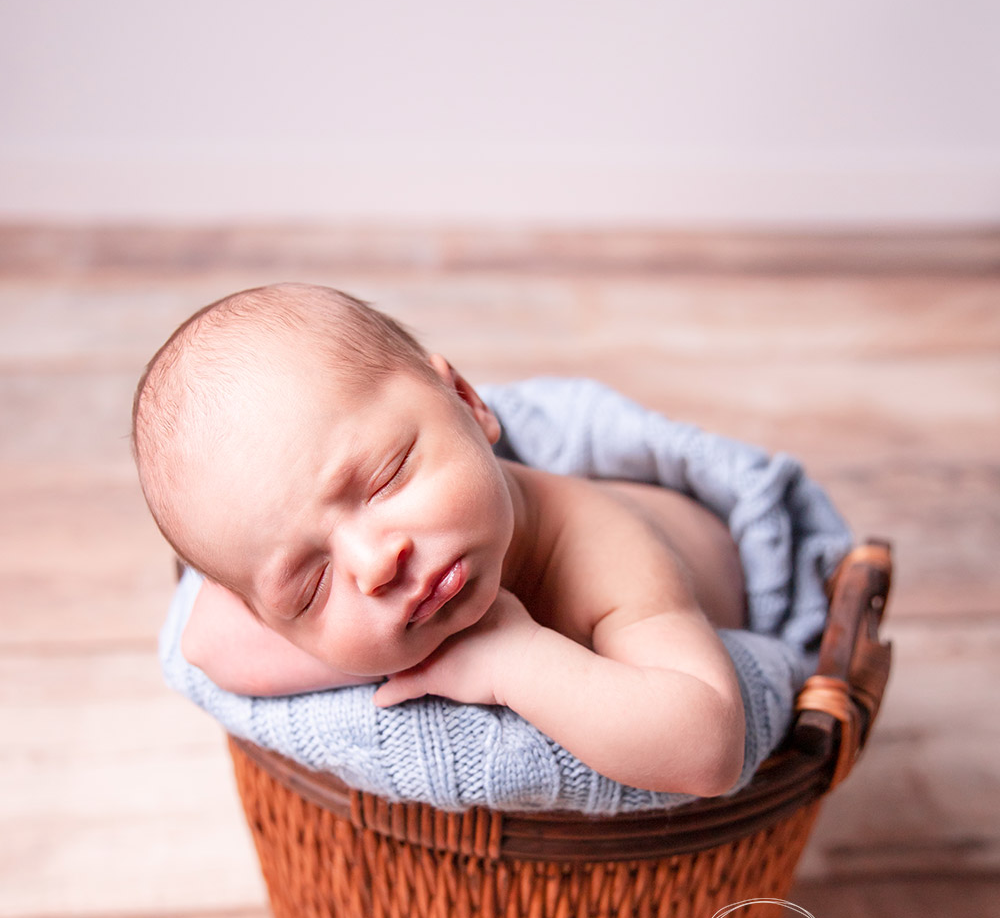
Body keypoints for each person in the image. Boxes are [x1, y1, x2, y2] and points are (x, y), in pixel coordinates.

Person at [132, 283, 749, 797]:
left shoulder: (603, 549)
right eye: (309, 587)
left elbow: (709, 750)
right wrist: (371, 645)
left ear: (466, 400)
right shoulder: (345, 577)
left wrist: (515, 660)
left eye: (384, 479)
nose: (374, 565)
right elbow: (207, 641)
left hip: (722, 570)